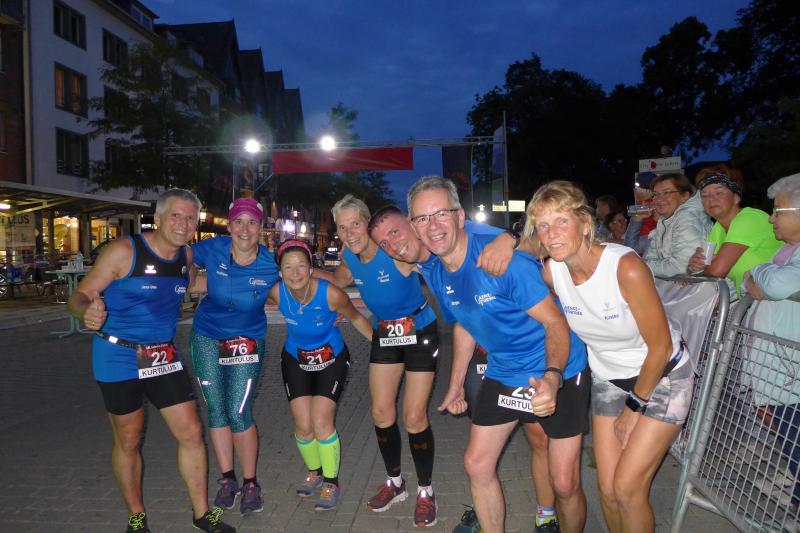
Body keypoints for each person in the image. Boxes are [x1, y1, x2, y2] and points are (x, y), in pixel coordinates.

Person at [408, 176, 590, 533]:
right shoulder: (438, 273)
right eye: (422, 218)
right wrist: (456, 385)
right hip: (505, 370)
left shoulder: (501, 262)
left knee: (565, 482)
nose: (433, 226)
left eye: (441, 213)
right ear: (415, 227)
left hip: (559, 367)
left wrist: (553, 377)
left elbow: (555, 323)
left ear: (460, 217)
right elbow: (466, 325)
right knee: (477, 464)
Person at [368, 205, 560, 533]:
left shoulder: (463, 234)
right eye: (384, 242)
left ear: (414, 225)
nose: (393, 244)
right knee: (480, 447)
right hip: (486, 357)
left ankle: (546, 514)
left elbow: (537, 241)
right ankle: (482, 510)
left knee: (539, 438)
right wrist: (455, 384)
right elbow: (462, 323)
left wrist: (510, 238)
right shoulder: (429, 265)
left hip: (531, 353)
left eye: (395, 232)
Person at [526, 180, 692, 533]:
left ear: (585, 223)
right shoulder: (552, 272)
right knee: (606, 488)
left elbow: (660, 347)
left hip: (662, 375)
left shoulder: (624, 267)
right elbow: (518, 255)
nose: (551, 234)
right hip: (608, 376)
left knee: (627, 489)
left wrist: (634, 407)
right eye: (543, 225)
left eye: (561, 221)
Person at [67, 189, 234, 533]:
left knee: (191, 432)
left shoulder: (186, 255)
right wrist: (86, 312)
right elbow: (80, 294)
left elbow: (193, 284)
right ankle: (136, 517)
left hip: (162, 354)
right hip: (117, 354)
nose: (183, 223)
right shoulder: (124, 251)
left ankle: (202, 514)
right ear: (157, 219)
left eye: (190, 218)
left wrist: (250, 284)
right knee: (128, 439)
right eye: (176, 215)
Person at [316, 194, 442, 527]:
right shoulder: (348, 255)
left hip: (419, 330)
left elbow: (438, 259)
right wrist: (298, 270)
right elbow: (339, 279)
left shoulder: (394, 250)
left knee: (413, 416)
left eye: (355, 224)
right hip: (386, 332)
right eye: (342, 227)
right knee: (381, 412)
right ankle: (395, 482)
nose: (349, 233)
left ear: (367, 223)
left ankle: (426, 490)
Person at [189, 197, 279, 514]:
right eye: (238, 221)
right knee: (216, 410)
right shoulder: (213, 248)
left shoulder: (271, 261)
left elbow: (303, 281)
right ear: (229, 226)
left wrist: (331, 308)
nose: (244, 228)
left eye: (252, 222)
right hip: (206, 336)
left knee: (238, 411)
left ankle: (251, 482)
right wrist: (187, 275)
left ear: (261, 227)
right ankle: (228, 479)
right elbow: (179, 253)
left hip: (246, 340)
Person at [267, 239, 372, 511]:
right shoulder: (276, 292)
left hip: (331, 359)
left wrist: (383, 346)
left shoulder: (330, 294)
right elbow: (248, 303)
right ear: (280, 271)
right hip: (295, 359)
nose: (295, 273)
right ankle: (314, 471)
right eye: (288, 267)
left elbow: (356, 317)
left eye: (301, 266)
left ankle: (331, 482)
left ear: (311, 268)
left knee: (321, 421)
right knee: (303, 426)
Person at [742, 173, 800, 514]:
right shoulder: (786, 252)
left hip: (791, 373)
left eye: (778, 211)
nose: (771, 218)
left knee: (794, 437)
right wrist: (760, 274)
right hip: (780, 371)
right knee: (789, 437)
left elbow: (775, 285)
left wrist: (758, 272)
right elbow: (748, 281)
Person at [687, 164, 783, 296]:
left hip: (779, 299)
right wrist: (694, 266)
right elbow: (706, 268)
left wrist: (700, 273)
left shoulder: (750, 218)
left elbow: (716, 271)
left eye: (719, 192)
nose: (711, 199)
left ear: (736, 197)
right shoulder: (718, 227)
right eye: (704, 195)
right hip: (752, 300)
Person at [644, 173, 711, 277]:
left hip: (703, 285)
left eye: (666, 193)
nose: (659, 199)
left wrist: (643, 266)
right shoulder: (664, 221)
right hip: (679, 285)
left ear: (685, 196)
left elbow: (680, 267)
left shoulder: (687, 217)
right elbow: (650, 258)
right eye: (655, 194)